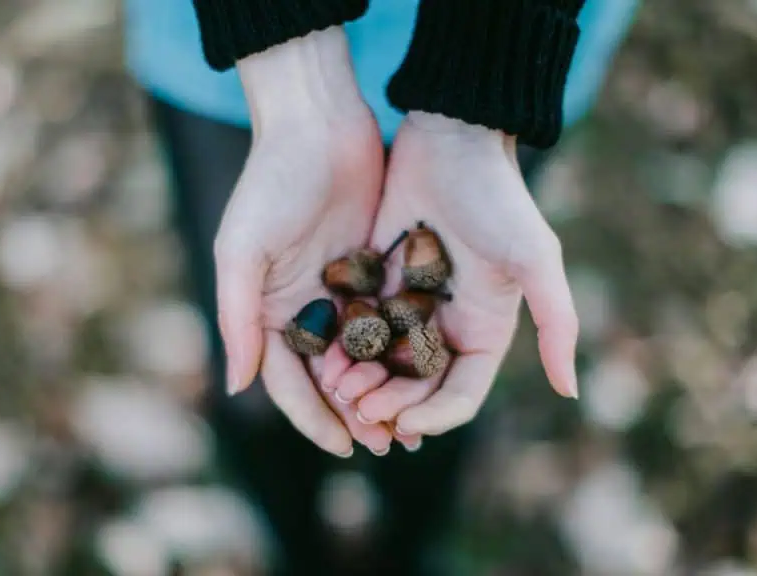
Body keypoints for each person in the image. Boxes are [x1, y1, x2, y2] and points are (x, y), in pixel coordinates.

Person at [124, 1, 639, 574]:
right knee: (258, 385)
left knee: (429, 409)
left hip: (514, 45)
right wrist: (294, 81)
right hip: (238, 40)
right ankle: (297, 549)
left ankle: (408, 551)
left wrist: (479, 106)